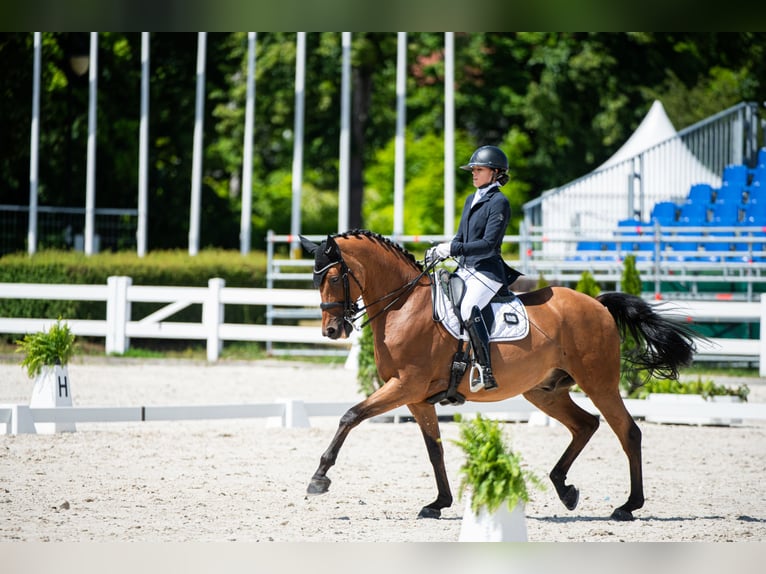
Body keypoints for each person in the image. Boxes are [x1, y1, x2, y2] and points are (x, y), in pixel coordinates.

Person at [429, 145, 511, 391]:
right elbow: (461, 237)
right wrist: (440, 250)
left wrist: (454, 250)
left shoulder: (499, 202)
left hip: (487, 271)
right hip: (466, 269)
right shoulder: (470, 199)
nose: (473, 173)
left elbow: (487, 245)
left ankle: (485, 369)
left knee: (467, 308)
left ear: (495, 173)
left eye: (479, 169)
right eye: (473, 169)